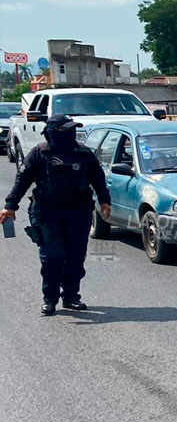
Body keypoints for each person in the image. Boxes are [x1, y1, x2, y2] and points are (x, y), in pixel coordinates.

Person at [0, 115, 111, 315]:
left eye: (72, 129)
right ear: (51, 133)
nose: (70, 133)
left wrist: (105, 201)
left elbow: (98, 177)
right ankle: (50, 298)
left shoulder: (84, 154)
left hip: (78, 212)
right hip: (46, 212)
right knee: (52, 256)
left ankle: (70, 296)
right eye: (65, 130)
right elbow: (22, 179)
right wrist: (10, 205)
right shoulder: (39, 153)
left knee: (75, 257)